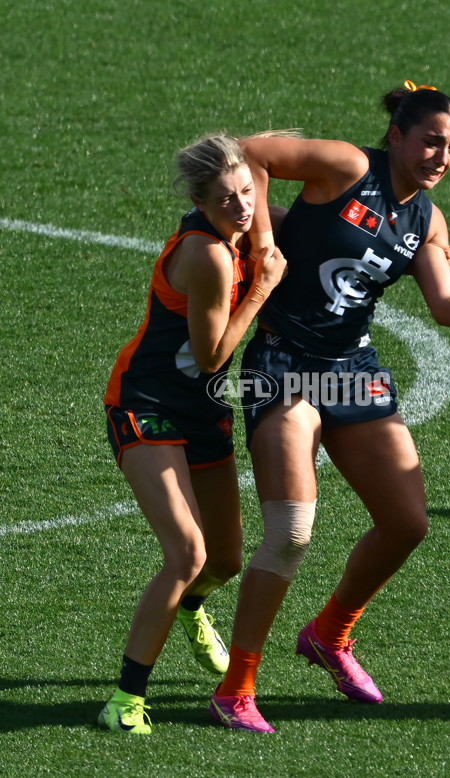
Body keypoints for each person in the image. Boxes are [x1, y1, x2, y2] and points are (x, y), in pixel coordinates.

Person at [207, 81, 450, 733]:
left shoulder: (428, 221)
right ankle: (235, 688)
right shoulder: (348, 168)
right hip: (283, 361)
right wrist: (265, 242)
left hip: (353, 369)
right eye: (431, 141)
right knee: (292, 531)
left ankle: (330, 634)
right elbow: (250, 154)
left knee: (407, 522)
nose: (441, 156)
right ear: (397, 137)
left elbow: (443, 306)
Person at [97, 134, 286, 734]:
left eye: (247, 192)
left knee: (225, 558)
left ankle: (191, 606)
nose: (242, 207)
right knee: (187, 551)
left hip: (201, 413)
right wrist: (261, 288)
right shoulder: (208, 256)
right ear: (201, 204)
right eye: (227, 199)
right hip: (146, 403)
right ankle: (125, 701)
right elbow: (209, 357)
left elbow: (287, 209)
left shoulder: (242, 227)